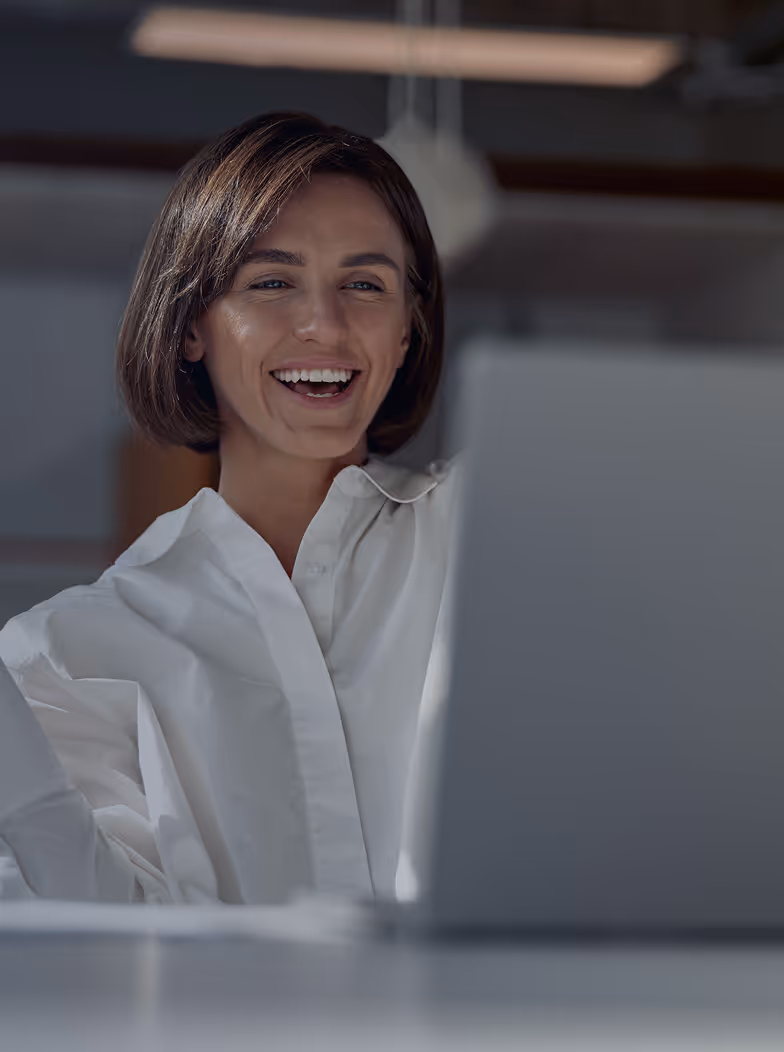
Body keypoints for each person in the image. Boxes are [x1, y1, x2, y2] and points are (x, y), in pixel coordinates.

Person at [0, 111, 459, 904]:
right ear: (191, 330)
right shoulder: (68, 648)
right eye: (271, 282)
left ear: (409, 331)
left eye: (366, 283)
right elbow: (103, 945)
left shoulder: (495, 536)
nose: (325, 324)